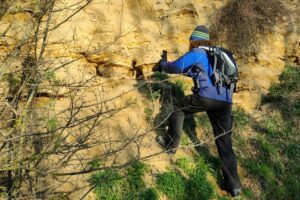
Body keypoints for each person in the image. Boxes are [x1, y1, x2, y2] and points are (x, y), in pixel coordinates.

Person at [153, 25, 242, 197]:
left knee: (178, 107)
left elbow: (177, 67)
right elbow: (193, 71)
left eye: (190, 41)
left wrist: (162, 65)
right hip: (225, 101)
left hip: (206, 98)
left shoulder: (197, 52)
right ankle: (234, 187)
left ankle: (170, 145)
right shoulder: (214, 54)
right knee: (225, 142)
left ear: (193, 40)